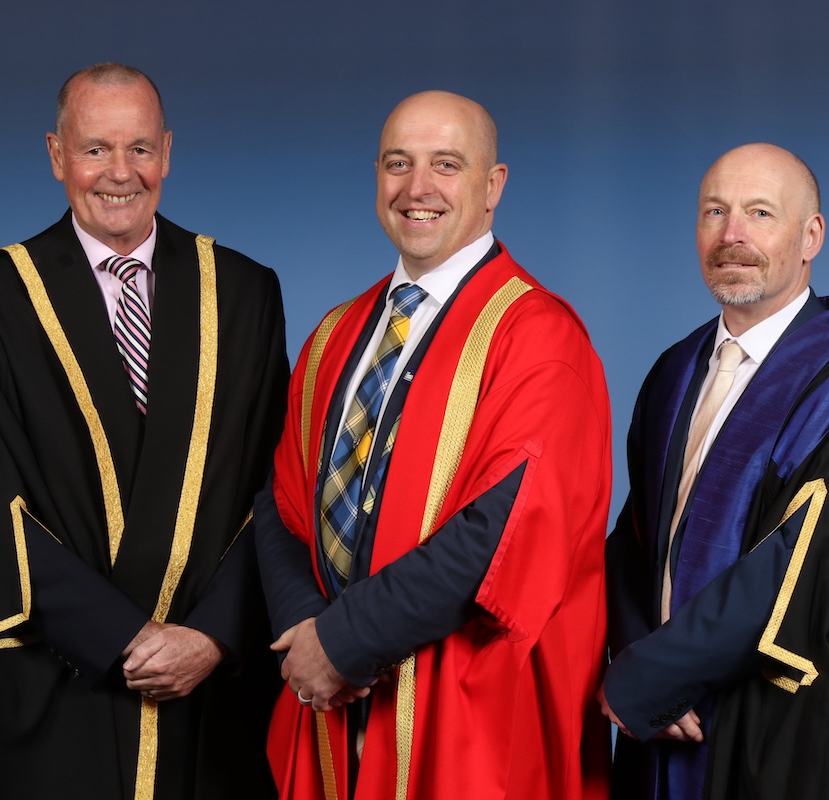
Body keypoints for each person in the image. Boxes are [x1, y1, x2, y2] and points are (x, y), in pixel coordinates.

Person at [0, 64, 288, 799]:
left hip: (209, 688)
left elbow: (275, 489)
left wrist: (214, 637)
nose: (120, 174)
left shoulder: (244, 292)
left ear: (167, 151)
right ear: (56, 154)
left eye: (139, 149)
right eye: (96, 149)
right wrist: (126, 642)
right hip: (66, 684)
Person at [254, 90, 612, 799]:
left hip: (462, 712)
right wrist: (305, 631)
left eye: (445, 165)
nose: (417, 189)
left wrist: (346, 643)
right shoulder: (336, 334)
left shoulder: (536, 336)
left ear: (492, 185)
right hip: (330, 707)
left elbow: (501, 532)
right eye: (398, 164)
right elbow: (281, 499)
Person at [600, 143, 829, 799]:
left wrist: (652, 678)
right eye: (714, 212)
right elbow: (636, 542)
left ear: (811, 236)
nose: (732, 235)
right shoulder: (674, 372)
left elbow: (793, 570)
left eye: (760, 213)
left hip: (782, 735)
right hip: (668, 728)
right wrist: (635, 660)